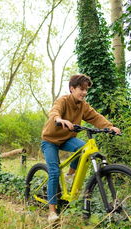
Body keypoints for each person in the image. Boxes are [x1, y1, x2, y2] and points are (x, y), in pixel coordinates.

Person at [41, 74, 121, 221]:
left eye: (86, 90)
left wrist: (110, 127)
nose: (84, 92)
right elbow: (54, 111)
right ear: (72, 88)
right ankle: (52, 211)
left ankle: (70, 175)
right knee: (54, 171)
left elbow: (96, 117)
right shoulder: (63, 100)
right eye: (81, 89)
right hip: (50, 140)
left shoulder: (83, 106)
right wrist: (59, 119)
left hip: (67, 139)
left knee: (85, 148)